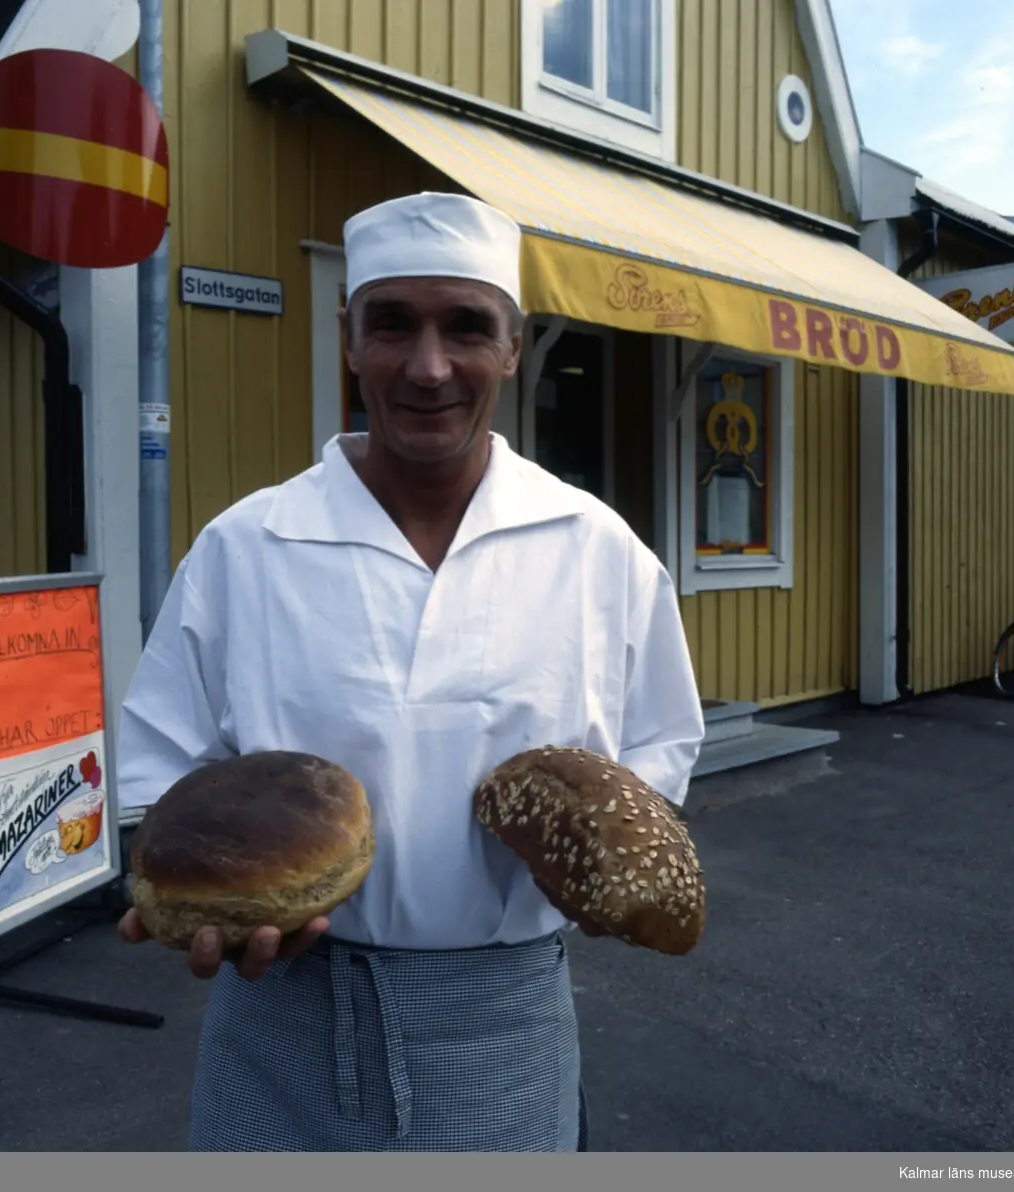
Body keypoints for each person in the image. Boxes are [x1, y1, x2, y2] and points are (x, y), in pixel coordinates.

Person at [116, 191, 705, 1152]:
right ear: (349, 336)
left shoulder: (599, 553)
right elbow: (158, 771)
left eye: (467, 327)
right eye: (392, 324)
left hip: (506, 1018)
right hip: (280, 1011)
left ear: (513, 347)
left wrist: (596, 874)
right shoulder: (248, 546)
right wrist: (194, 896)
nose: (428, 367)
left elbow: (658, 752)